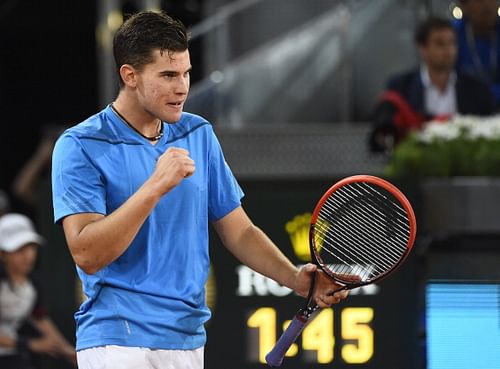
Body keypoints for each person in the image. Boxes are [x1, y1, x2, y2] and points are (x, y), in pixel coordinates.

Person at [51, 11, 349, 369]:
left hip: (187, 340)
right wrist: (155, 187)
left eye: (186, 73)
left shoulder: (198, 134)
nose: (182, 87)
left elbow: (239, 231)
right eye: (168, 75)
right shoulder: (81, 145)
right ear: (129, 76)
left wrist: (295, 278)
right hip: (118, 339)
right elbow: (87, 253)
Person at [369, 16, 495, 153]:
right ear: (422, 48)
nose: (449, 51)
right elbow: (382, 137)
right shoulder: (401, 87)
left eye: (452, 43)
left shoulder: (477, 88)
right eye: (440, 44)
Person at [0, 213, 76, 368]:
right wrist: (31, 344)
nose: (28, 256)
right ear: (2, 254)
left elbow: (40, 319)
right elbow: (35, 343)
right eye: (19, 249)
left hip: (13, 356)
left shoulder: (33, 285)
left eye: (31, 247)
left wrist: (68, 351)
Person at [454, 0, 500, 106]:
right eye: (479, 1)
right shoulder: (453, 35)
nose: (487, 5)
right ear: (464, 5)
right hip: (465, 107)